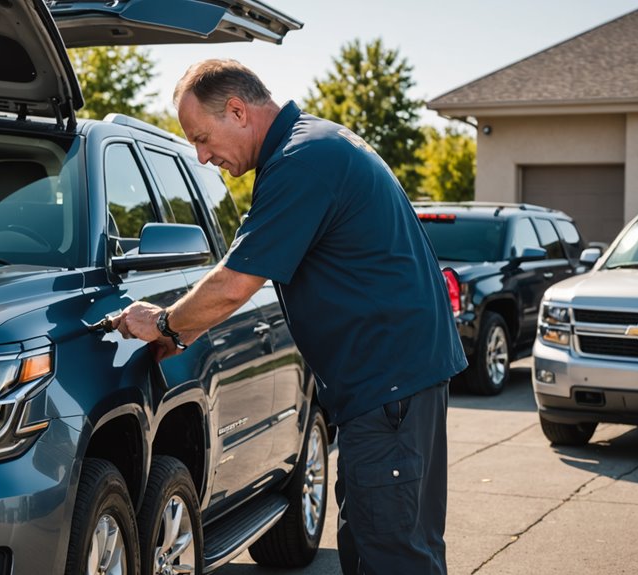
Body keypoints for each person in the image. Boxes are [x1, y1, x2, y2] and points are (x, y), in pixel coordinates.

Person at [112, 58, 467, 574]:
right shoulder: (316, 143)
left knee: (392, 556)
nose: (202, 156)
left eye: (202, 137)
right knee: (379, 545)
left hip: (390, 391)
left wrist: (165, 323)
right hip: (394, 389)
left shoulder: (302, 160)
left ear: (237, 110)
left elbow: (235, 284)